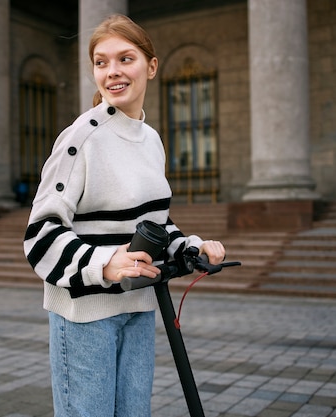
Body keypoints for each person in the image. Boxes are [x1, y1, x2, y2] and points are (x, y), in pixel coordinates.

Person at [23, 14, 226, 417]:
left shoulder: (151, 140)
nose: (112, 72)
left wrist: (191, 247)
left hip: (138, 306)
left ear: (151, 66)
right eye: (101, 62)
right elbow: (40, 236)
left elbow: (154, 224)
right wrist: (105, 263)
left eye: (125, 59)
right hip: (85, 317)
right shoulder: (82, 137)